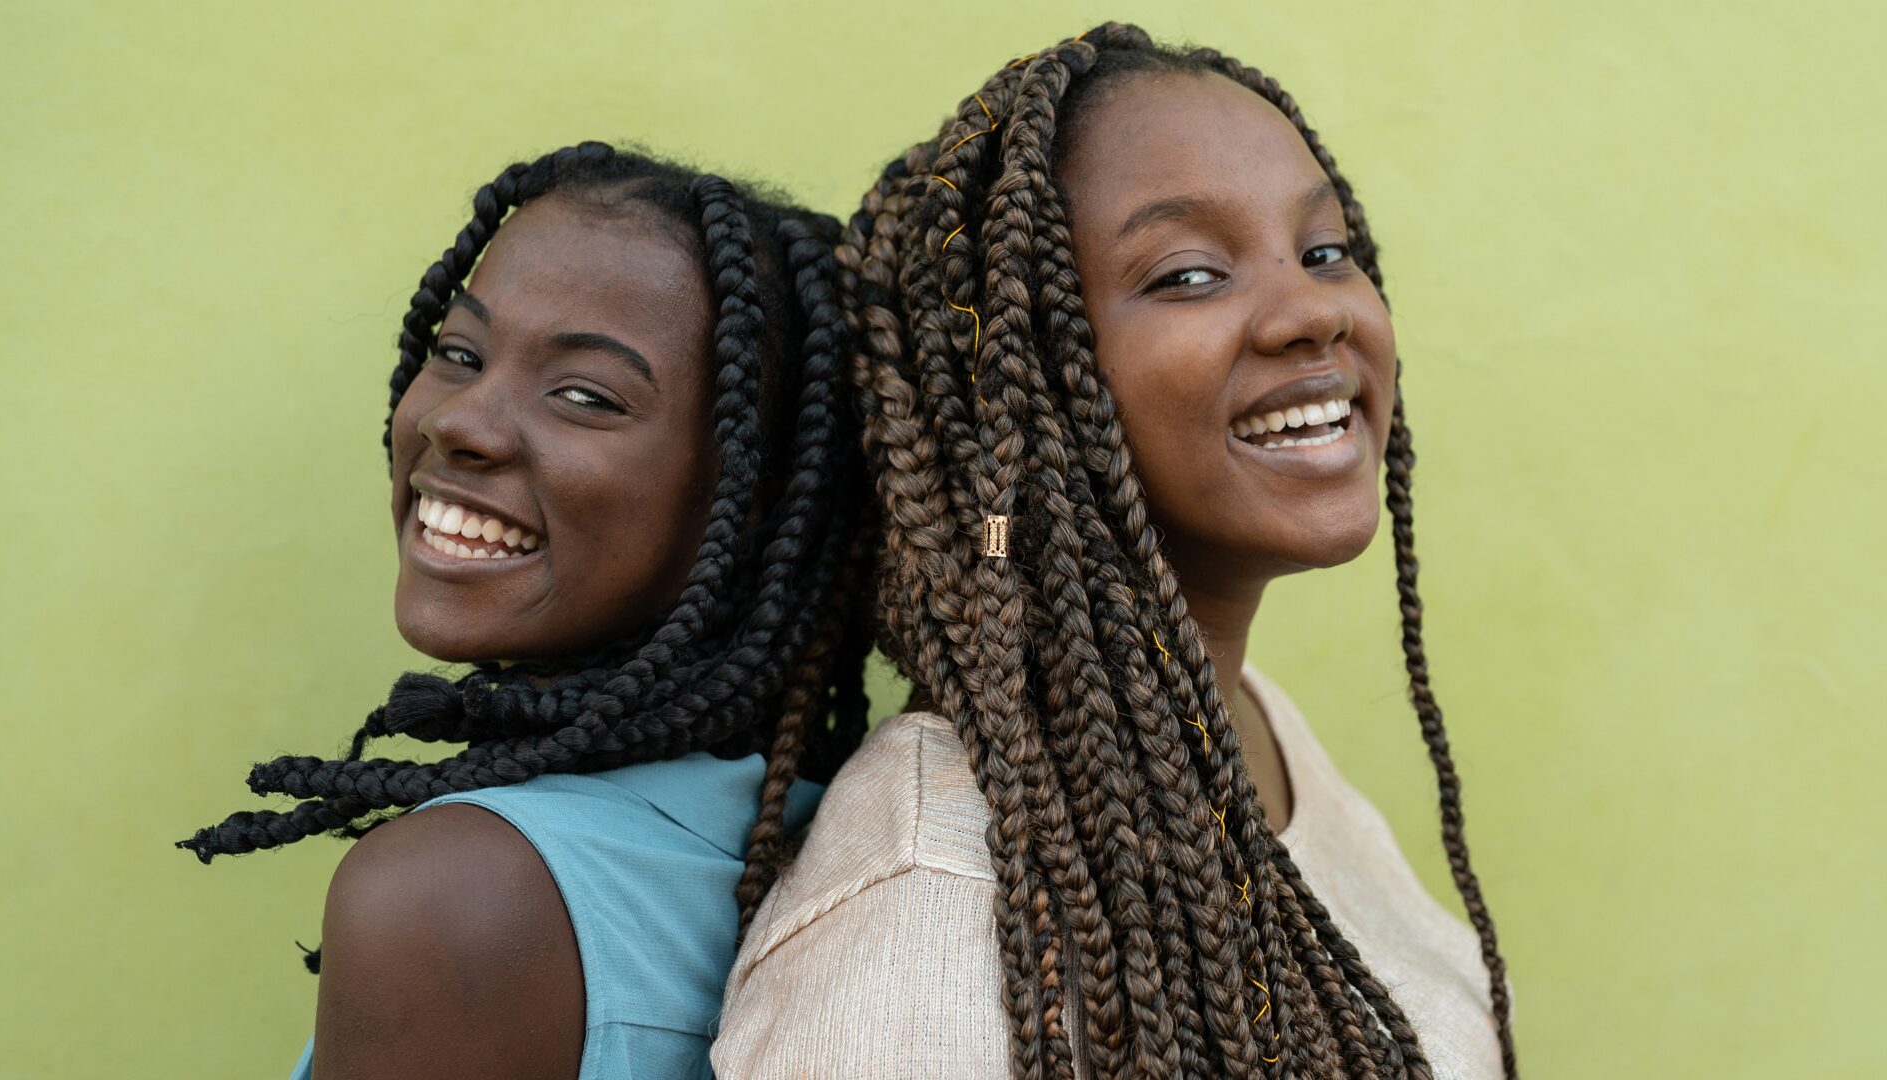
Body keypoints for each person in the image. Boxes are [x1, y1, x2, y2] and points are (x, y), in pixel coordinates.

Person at [714, 24, 1518, 1079]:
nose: (1311, 312)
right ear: (1015, 391)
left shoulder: (1237, 722)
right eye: (1190, 274)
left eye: (1326, 253)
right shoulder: (921, 927)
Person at [177, 141, 875, 1080]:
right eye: (459, 353)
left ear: (756, 499)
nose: (457, 421)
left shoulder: (460, 893)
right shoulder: (823, 833)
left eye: (585, 396)